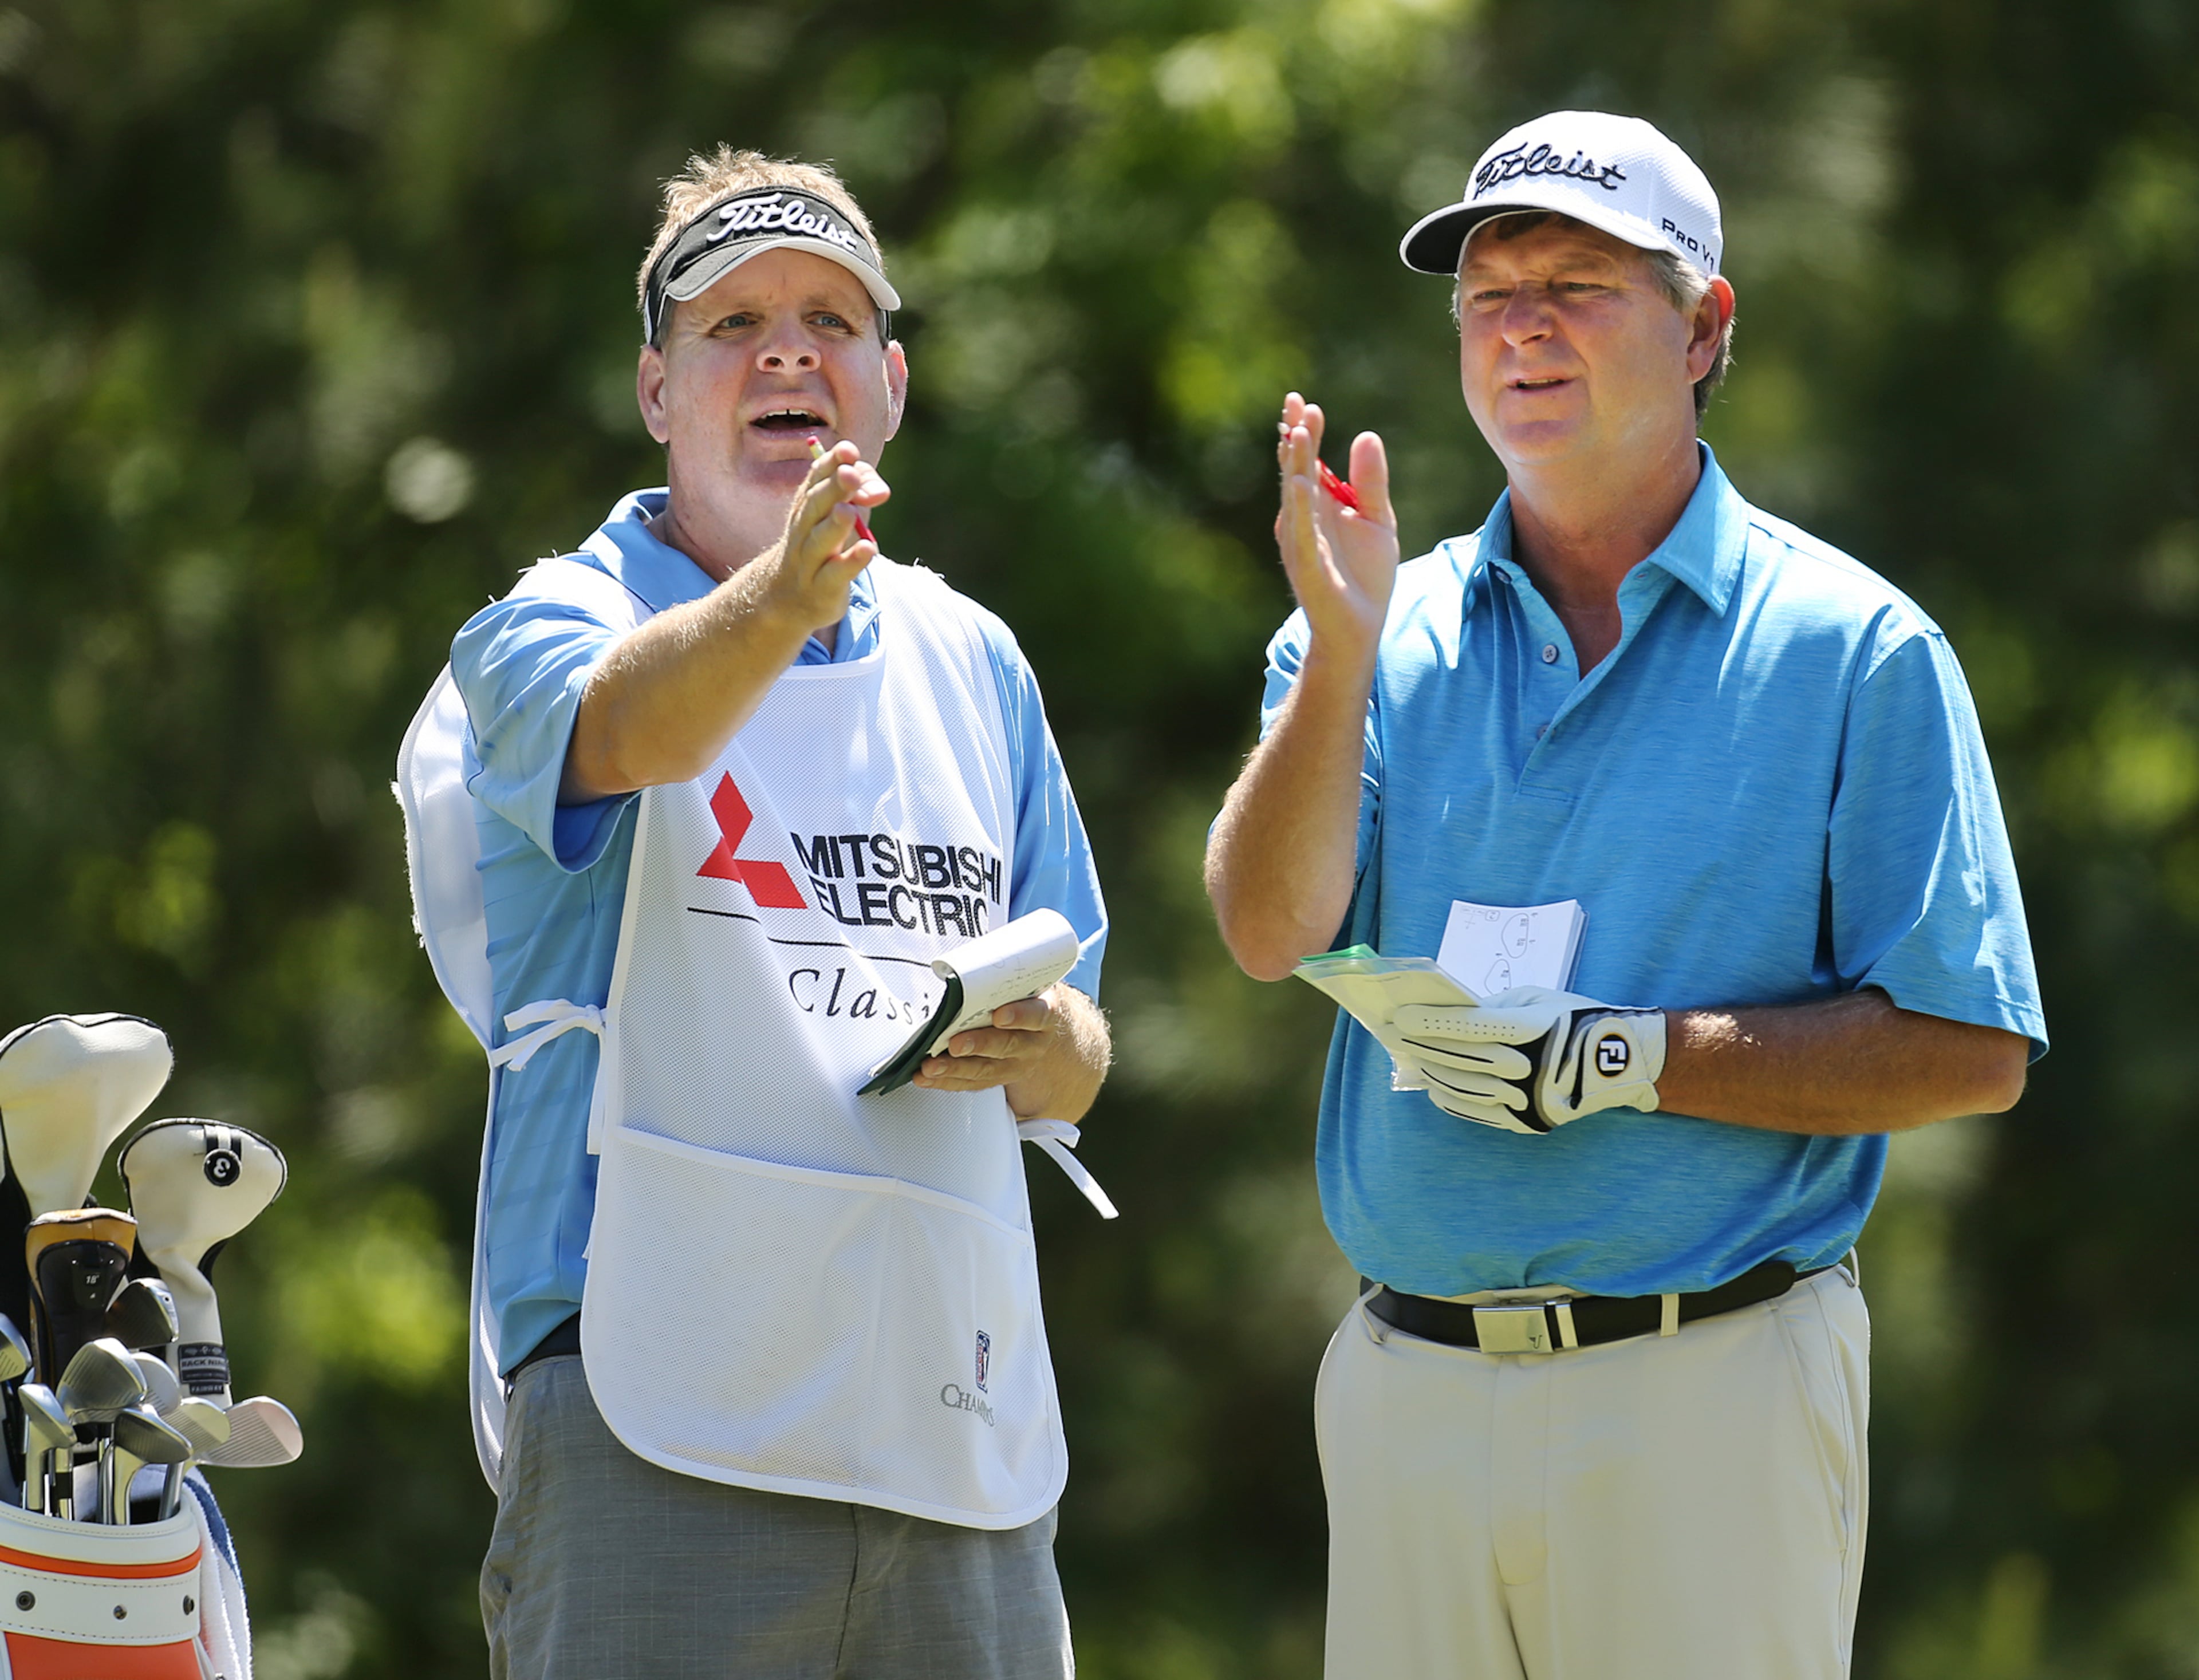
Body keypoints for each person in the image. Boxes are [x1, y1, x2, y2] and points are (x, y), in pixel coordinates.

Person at [1204, 111, 2046, 1679]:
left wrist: (1636, 1058)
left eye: (1579, 284)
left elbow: (1967, 1047)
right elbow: (1269, 930)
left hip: (1709, 1382)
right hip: (1405, 1386)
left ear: (1705, 323)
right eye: (1488, 291)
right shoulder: (1376, 628)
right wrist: (1334, 644)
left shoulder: (1855, 651)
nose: (1520, 322)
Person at [424, 148, 1110, 1679]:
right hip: (659, 1418)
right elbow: (637, 733)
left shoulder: (978, 660)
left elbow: (1078, 1064)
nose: (788, 349)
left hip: (949, 1428)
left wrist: (1047, 1034)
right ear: (659, 391)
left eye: (830, 320)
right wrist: (788, 601)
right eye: (731, 325)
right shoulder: (550, 619)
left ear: (892, 382)